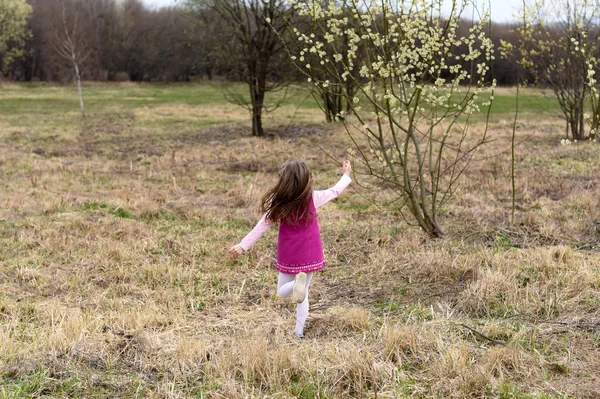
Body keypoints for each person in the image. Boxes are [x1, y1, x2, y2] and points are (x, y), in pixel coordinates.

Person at [229, 159, 352, 338]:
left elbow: (262, 226)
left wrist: (243, 245)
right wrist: (346, 175)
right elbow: (335, 191)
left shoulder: (278, 203)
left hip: (290, 254)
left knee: (282, 292)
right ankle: (298, 332)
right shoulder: (313, 198)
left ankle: (295, 284)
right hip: (310, 252)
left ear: (283, 180)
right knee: (303, 295)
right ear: (306, 180)